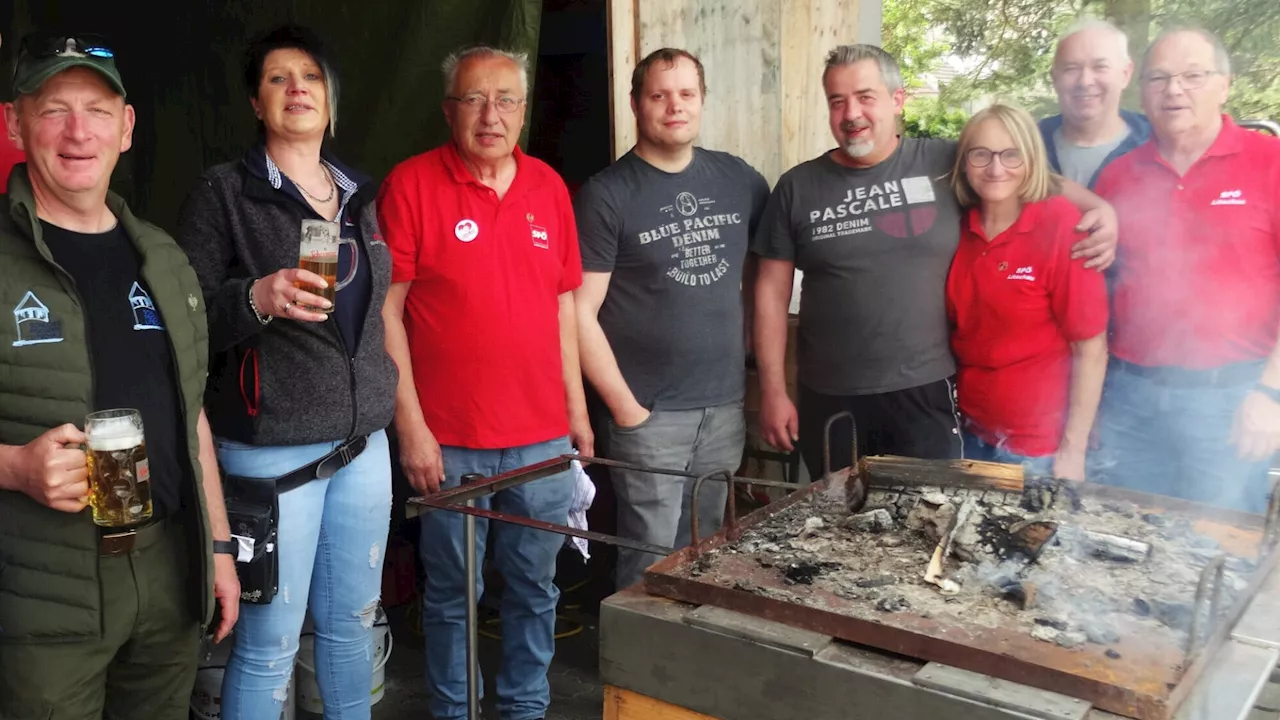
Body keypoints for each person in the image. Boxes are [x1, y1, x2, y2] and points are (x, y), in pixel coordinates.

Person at [0, 31, 238, 719]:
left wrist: (217, 547)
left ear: (126, 128)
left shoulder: (162, 257)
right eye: (54, 109)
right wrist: (14, 466)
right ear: (14, 123)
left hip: (165, 572)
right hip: (43, 592)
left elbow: (191, 413)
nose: (79, 132)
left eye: (99, 111)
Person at [751, 43, 1119, 480]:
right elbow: (770, 293)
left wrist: (1102, 210)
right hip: (829, 397)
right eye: (837, 100)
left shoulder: (943, 161)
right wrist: (774, 390)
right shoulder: (798, 187)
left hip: (926, 394)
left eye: (866, 96)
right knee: (838, 528)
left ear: (897, 99)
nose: (852, 112)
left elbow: (1024, 172)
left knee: (930, 520)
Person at [176, 25, 398, 719]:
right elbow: (183, 320)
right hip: (273, 454)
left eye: (310, 75)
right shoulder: (224, 194)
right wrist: (256, 296)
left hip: (364, 447)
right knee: (270, 643)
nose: (297, 87)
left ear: (332, 97)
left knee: (351, 628)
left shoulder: (360, 192)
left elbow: (377, 312)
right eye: (277, 77)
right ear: (255, 102)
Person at [378, 45, 591, 720]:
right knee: (451, 596)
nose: (489, 114)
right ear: (449, 110)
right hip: (452, 441)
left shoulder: (549, 187)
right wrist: (409, 425)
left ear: (524, 111)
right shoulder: (410, 185)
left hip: (543, 439)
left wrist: (577, 414)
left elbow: (563, 308)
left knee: (536, 590)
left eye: (505, 100)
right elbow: (387, 310)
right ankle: (455, 711)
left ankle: (526, 707)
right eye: (473, 99)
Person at [573, 48, 770, 589]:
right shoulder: (607, 194)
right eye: (659, 95)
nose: (674, 107)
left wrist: (755, 364)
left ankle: (685, 666)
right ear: (637, 105)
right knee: (649, 557)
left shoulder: (739, 180)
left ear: (702, 101)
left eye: (686, 94)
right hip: (650, 413)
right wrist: (627, 410)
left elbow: (769, 272)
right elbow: (578, 312)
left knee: (707, 550)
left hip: (724, 406)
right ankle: (633, 671)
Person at [1090, 28, 1280, 512]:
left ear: (1225, 84)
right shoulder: (1117, 175)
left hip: (1233, 400)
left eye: (1193, 76)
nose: (1174, 90)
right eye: (1159, 78)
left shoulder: (1270, 163)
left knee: (1218, 550)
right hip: (1129, 399)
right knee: (1122, 538)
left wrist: (1271, 394)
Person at [946, 104, 1109, 477]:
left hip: (1039, 449)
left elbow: (1091, 348)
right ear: (965, 161)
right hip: (969, 434)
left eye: (1011, 154)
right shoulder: (956, 228)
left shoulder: (1061, 225)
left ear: (1031, 159)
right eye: (981, 154)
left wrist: (1073, 449)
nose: (995, 168)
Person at [1040, 19, 1150, 188]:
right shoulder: (1029, 145)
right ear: (1055, 78)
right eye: (1071, 68)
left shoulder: (1158, 144)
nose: (1085, 81)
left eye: (1100, 67)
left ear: (1125, 74)